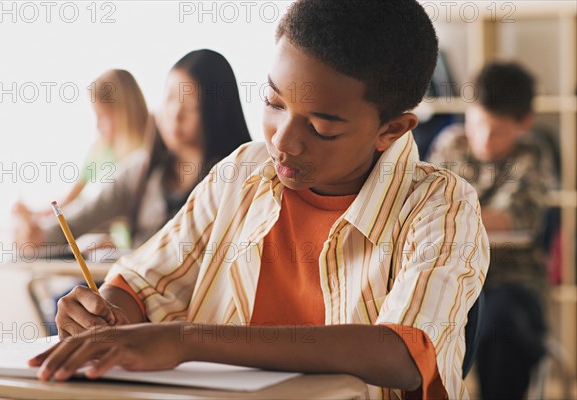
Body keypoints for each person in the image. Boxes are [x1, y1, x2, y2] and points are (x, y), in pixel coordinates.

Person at [30, 2, 489, 399]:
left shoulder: (440, 204)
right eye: (273, 103)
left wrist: (189, 339)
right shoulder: (242, 174)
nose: (283, 142)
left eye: (322, 128)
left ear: (391, 130)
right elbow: (142, 285)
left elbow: (403, 351)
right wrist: (104, 315)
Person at [13, 49, 252, 250]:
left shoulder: (236, 180)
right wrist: (39, 234)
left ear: (217, 112)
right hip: (130, 297)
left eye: (191, 106)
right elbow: (84, 215)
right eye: (169, 99)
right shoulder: (140, 169)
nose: (175, 115)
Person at [427, 62, 554, 399]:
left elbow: (512, 216)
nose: (484, 138)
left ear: (524, 124)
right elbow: (427, 210)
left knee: (500, 322)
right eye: (478, 123)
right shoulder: (450, 143)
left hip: (512, 281)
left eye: (497, 130)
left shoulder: (532, 153)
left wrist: (454, 215)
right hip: (453, 278)